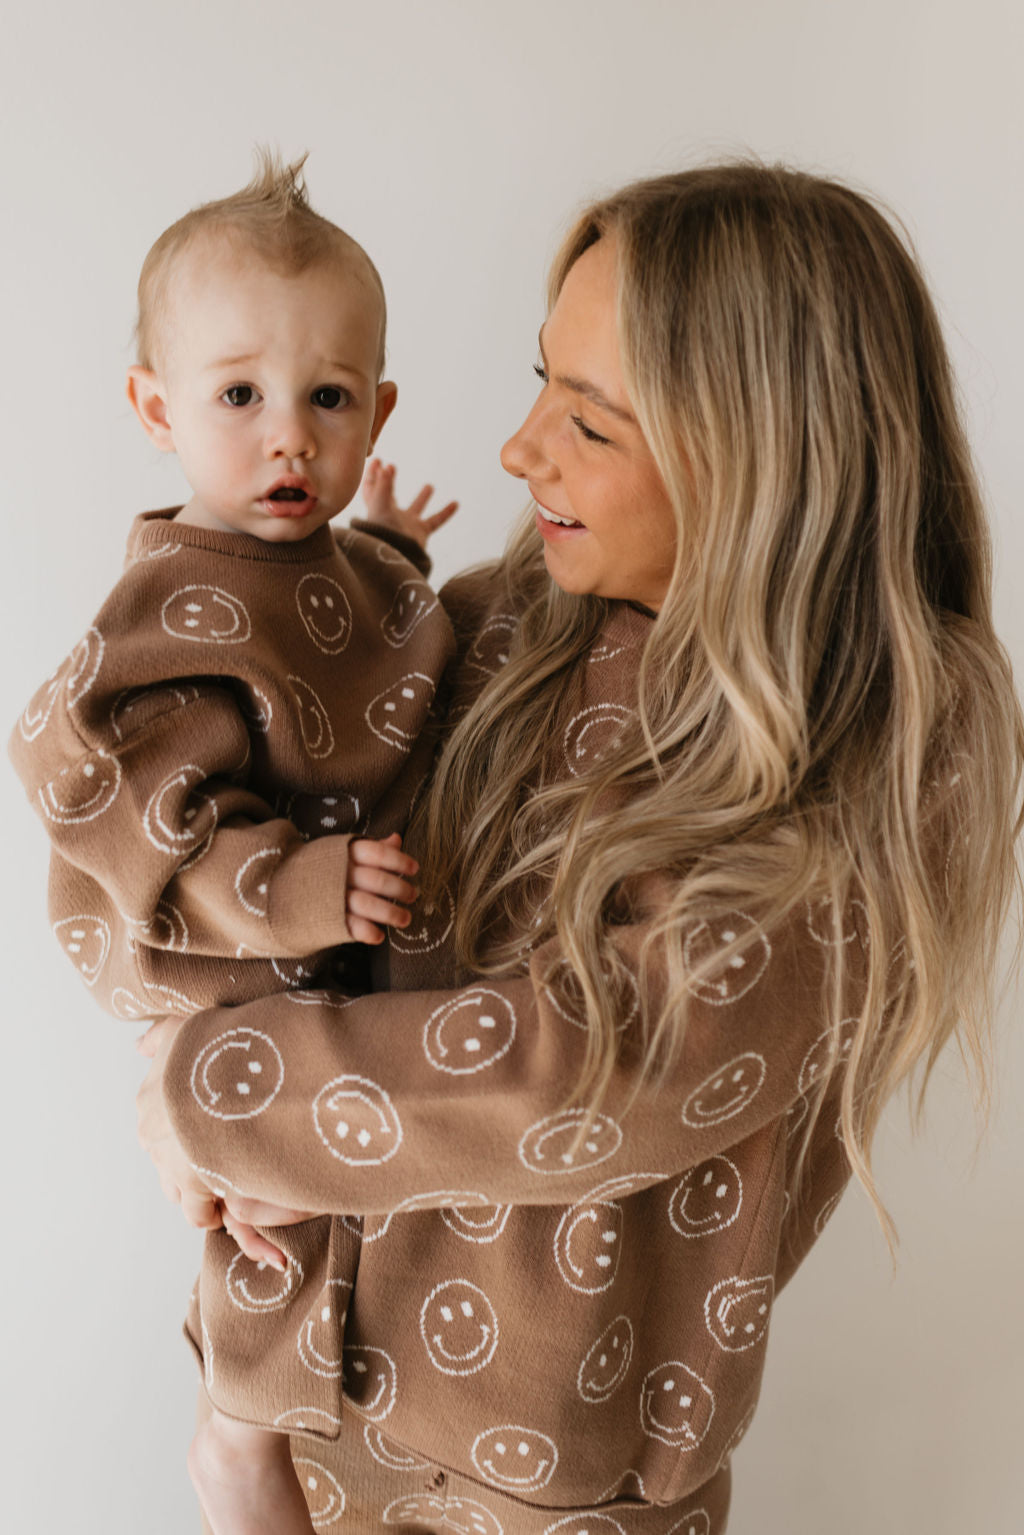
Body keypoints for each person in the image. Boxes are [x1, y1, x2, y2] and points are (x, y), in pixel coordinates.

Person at [138, 162, 1019, 1532]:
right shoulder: (500, 621)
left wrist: (214, 1098)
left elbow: (610, 1069)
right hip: (308, 1399)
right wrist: (175, 1029)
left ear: (760, 456)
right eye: (543, 380)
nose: (518, 448)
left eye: (592, 424)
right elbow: (216, 806)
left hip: (561, 1483)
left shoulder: (901, 729)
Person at [9, 153, 458, 1535]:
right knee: (270, 1214)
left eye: (329, 400)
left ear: (377, 407)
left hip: (314, 969)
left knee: (323, 1193)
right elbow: (154, 813)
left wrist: (388, 545)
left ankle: (288, 1424)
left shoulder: (313, 553)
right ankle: (240, 1449)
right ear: (157, 408)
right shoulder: (169, 606)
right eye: (239, 397)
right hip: (218, 955)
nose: (288, 440)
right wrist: (294, 890)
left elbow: (351, 636)